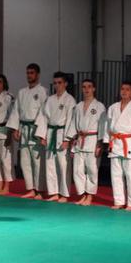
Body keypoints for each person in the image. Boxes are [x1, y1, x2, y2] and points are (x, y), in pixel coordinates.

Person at [103, 81, 131, 211]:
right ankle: (119, 201)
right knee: (116, 174)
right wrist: (107, 141)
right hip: (115, 142)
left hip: (129, 142)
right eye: (122, 89)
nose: (124, 91)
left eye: (127, 89)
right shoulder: (113, 107)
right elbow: (107, 125)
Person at [7, 63, 48, 199]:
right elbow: (16, 111)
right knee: (25, 162)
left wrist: (41, 132)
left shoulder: (43, 91)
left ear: (37, 75)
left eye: (32, 73)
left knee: (37, 161)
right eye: (28, 73)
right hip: (24, 129)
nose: (29, 75)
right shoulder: (21, 92)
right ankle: (31, 188)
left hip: (36, 129)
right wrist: (15, 129)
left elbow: (44, 113)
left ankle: (40, 190)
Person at [35, 72, 76, 202]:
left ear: (65, 84)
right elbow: (43, 117)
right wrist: (43, 135)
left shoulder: (70, 100)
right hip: (51, 132)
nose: (57, 85)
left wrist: (67, 139)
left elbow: (71, 120)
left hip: (62, 133)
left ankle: (64, 194)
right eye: (55, 83)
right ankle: (54, 192)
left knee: (63, 166)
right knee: (50, 164)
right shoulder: (50, 99)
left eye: (59, 83)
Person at [65, 78, 106, 206]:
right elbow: (73, 124)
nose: (86, 89)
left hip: (93, 140)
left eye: (89, 86)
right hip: (79, 140)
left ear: (94, 89)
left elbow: (102, 125)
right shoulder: (78, 106)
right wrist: (71, 141)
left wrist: (100, 144)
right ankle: (82, 194)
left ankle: (90, 196)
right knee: (77, 170)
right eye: (84, 87)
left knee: (92, 169)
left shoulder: (99, 106)